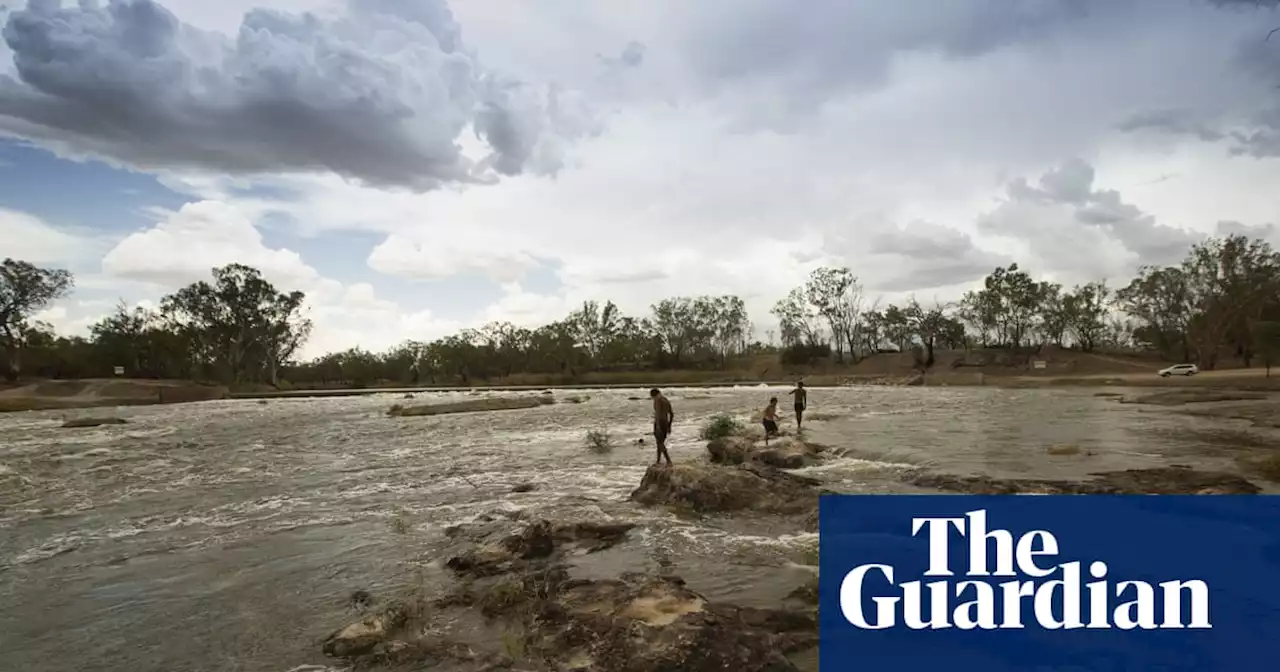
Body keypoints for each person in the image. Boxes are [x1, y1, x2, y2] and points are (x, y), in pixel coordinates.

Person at [650, 388, 675, 465]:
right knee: (659, 442)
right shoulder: (666, 400)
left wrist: (657, 425)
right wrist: (669, 425)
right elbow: (671, 414)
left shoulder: (657, 400)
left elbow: (657, 413)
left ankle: (668, 460)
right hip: (665, 422)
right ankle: (658, 460)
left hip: (659, 422)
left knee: (660, 442)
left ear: (653, 395)